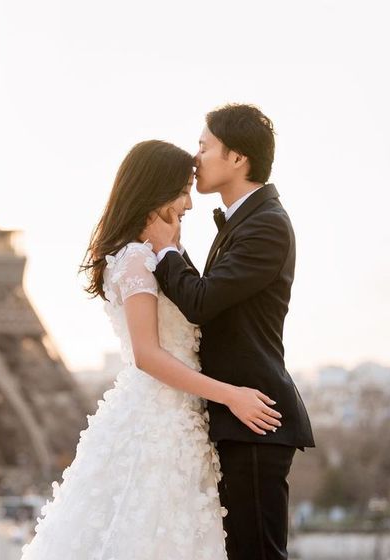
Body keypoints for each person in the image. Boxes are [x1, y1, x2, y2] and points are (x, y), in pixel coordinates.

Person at [19, 139, 282, 560]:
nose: (189, 204)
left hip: (177, 420)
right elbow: (148, 355)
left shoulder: (156, 255)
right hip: (160, 422)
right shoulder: (138, 258)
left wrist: (170, 249)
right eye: (182, 191)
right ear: (155, 191)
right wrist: (231, 395)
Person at [141, 104, 315, 560]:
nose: (194, 157)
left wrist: (164, 251)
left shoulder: (266, 226)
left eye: (204, 146)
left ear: (237, 158)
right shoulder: (244, 220)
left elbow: (200, 304)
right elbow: (213, 301)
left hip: (254, 415)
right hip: (236, 413)